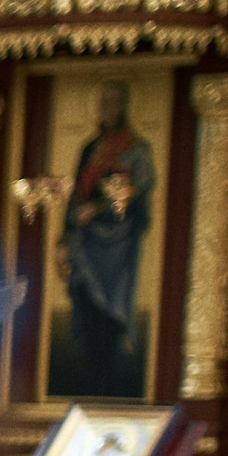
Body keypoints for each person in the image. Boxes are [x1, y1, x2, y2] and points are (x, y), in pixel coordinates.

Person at [58, 80, 155, 400]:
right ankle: (91, 375)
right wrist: (65, 236)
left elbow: (137, 189)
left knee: (110, 307)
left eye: (114, 102)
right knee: (84, 303)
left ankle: (109, 379)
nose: (107, 109)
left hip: (117, 244)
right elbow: (75, 195)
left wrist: (97, 209)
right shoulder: (90, 148)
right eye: (103, 103)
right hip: (85, 243)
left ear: (124, 107)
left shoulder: (136, 149)